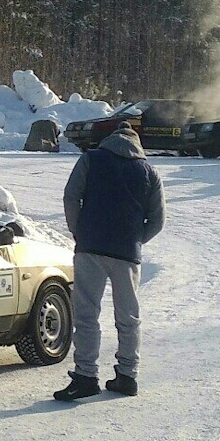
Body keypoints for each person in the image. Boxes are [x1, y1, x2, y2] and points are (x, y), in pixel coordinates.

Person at [55, 118, 165, 401]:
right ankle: (127, 376)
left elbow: (71, 197)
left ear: (111, 139)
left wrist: (79, 230)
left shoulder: (91, 160)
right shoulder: (149, 172)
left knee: (87, 314)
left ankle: (86, 376)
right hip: (127, 254)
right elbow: (158, 220)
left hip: (90, 247)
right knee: (128, 317)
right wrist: (136, 239)